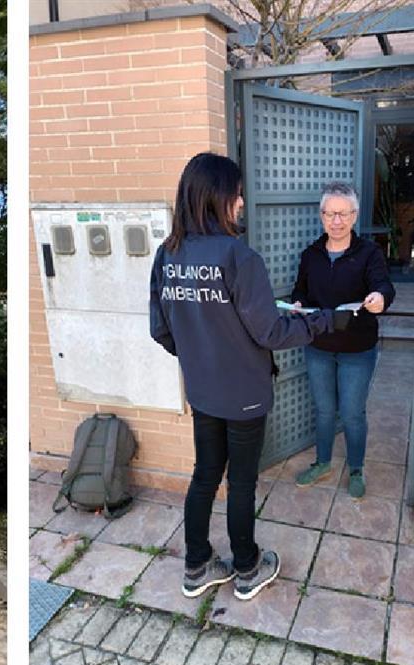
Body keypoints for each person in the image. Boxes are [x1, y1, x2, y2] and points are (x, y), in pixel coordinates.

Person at [149, 153, 350, 601]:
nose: (241, 202)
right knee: (240, 482)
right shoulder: (238, 256)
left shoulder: (168, 255)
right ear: (220, 197)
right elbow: (272, 331)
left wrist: (201, 353)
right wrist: (320, 321)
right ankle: (246, 567)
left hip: (202, 390)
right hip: (243, 394)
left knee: (205, 476)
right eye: (237, 194)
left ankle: (196, 567)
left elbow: (160, 329)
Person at [289, 182, 396, 499]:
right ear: (321, 216)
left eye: (343, 214)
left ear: (354, 215)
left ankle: (356, 469)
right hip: (319, 346)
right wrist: (297, 304)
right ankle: (322, 462)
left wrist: (379, 297)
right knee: (323, 411)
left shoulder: (369, 253)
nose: (336, 221)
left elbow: (383, 286)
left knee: (351, 413)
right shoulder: (311, 254)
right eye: (330, 214)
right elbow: (301, 290)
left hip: (356, 349)